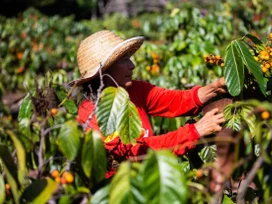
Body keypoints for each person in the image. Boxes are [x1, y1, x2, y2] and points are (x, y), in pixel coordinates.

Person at [69, 30, 228, 182]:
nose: (132, 65)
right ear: (104, 71)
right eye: (123, 60)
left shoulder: (134, 90)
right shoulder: (91, 113)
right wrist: (196, 131)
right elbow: (138, 153)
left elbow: (173, 101)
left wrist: (214, 88)